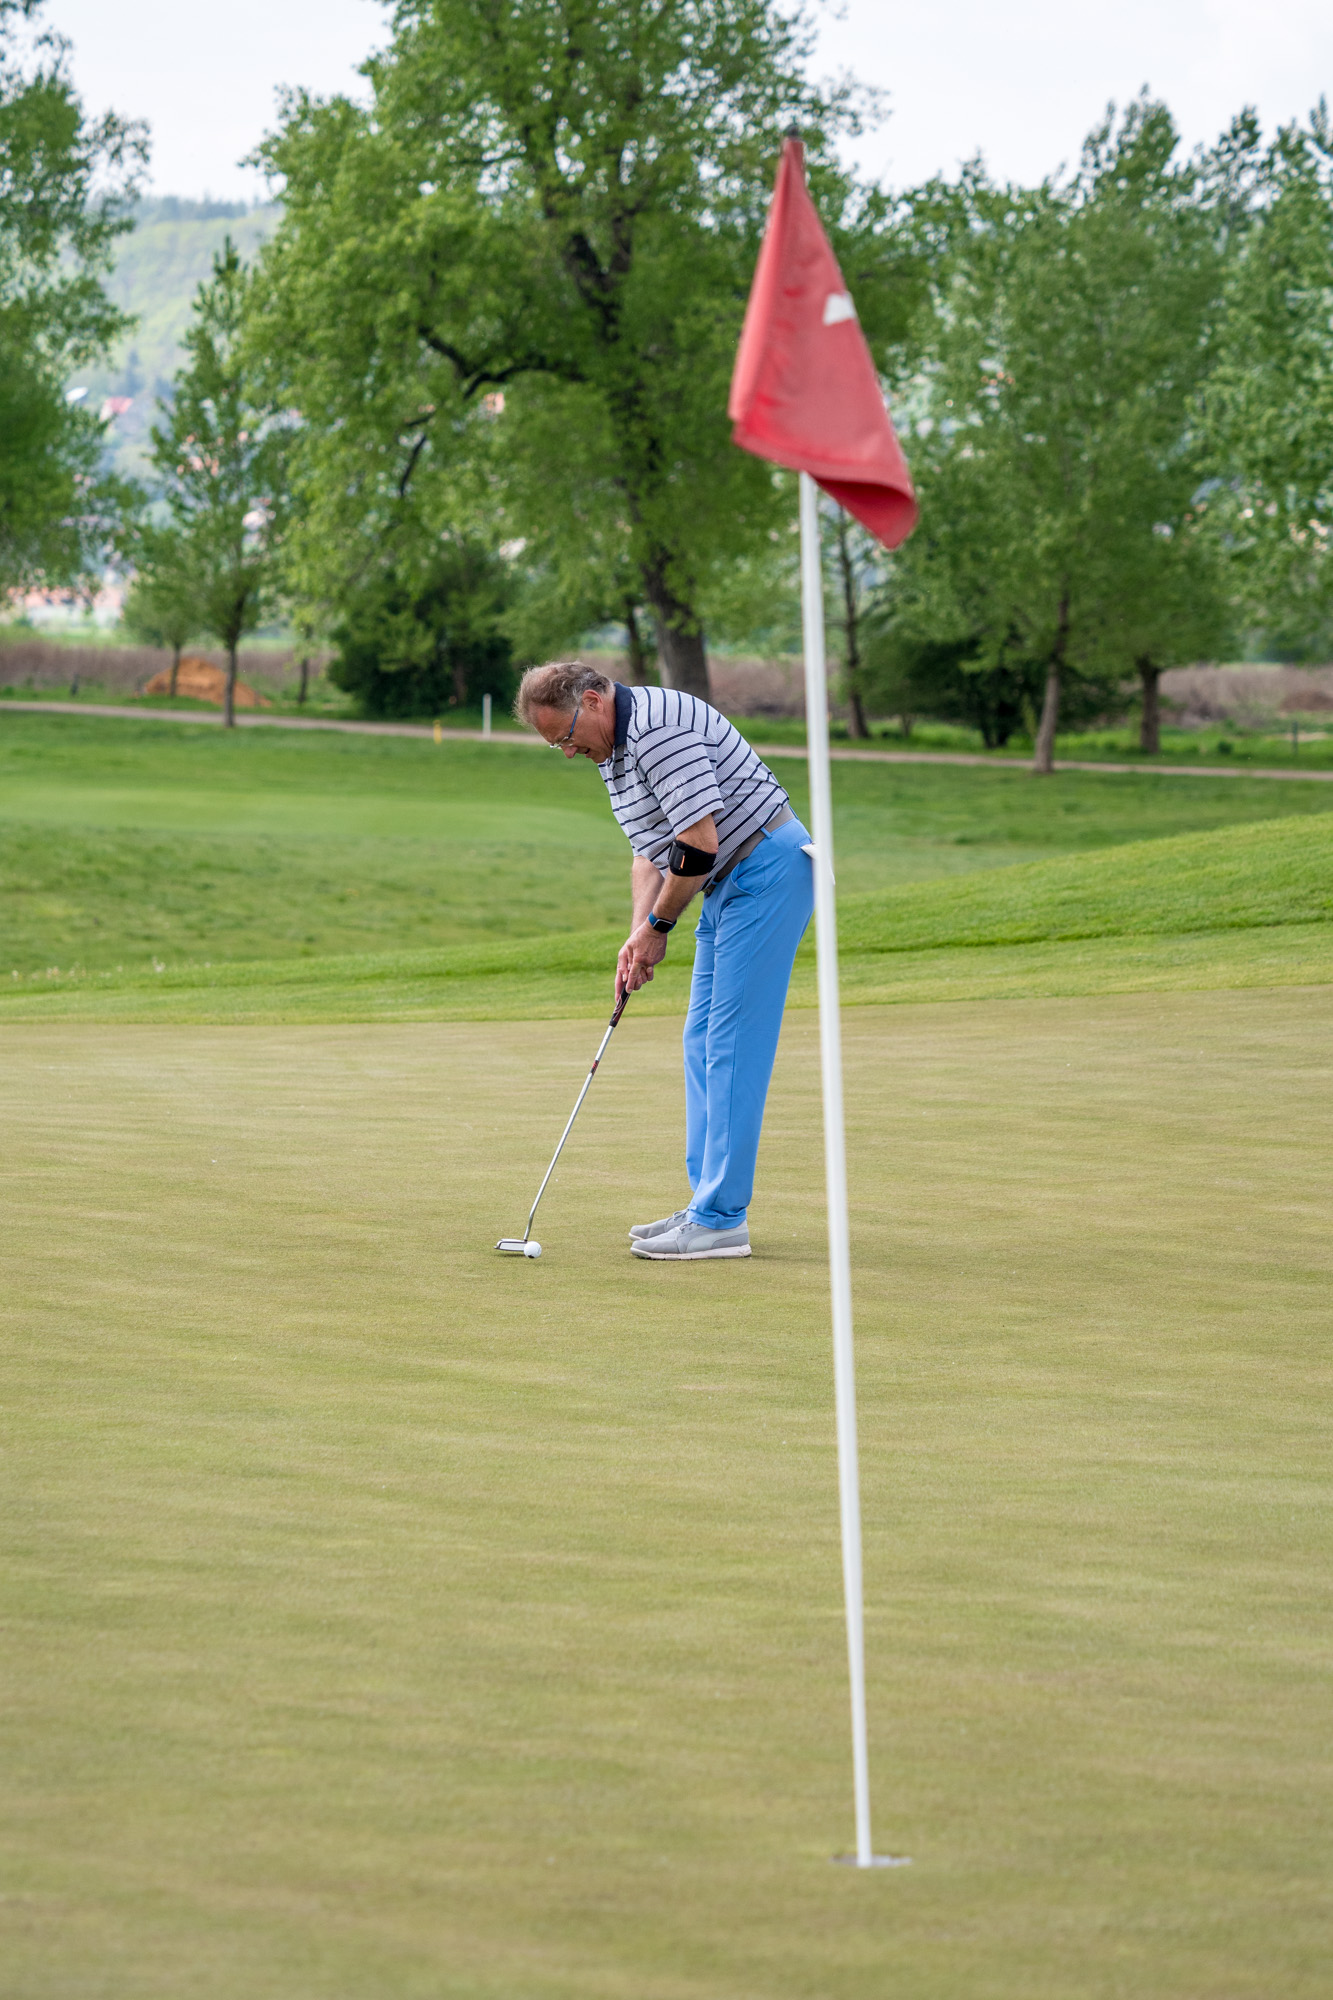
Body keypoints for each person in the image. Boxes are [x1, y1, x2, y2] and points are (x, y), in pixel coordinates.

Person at [515, 661, 814, 1261]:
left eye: (566, 737)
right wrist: (638, 935)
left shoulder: (657, 728)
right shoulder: (612, 750)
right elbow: (649, 854)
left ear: (593, 701)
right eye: (556, 747)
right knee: (700, 1039)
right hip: (727, 883)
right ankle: (707, 1203)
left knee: (730, 1044)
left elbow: (698, 843)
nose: (568, 753)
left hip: (766, 870)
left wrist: (659, 928)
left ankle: (720, 1220)